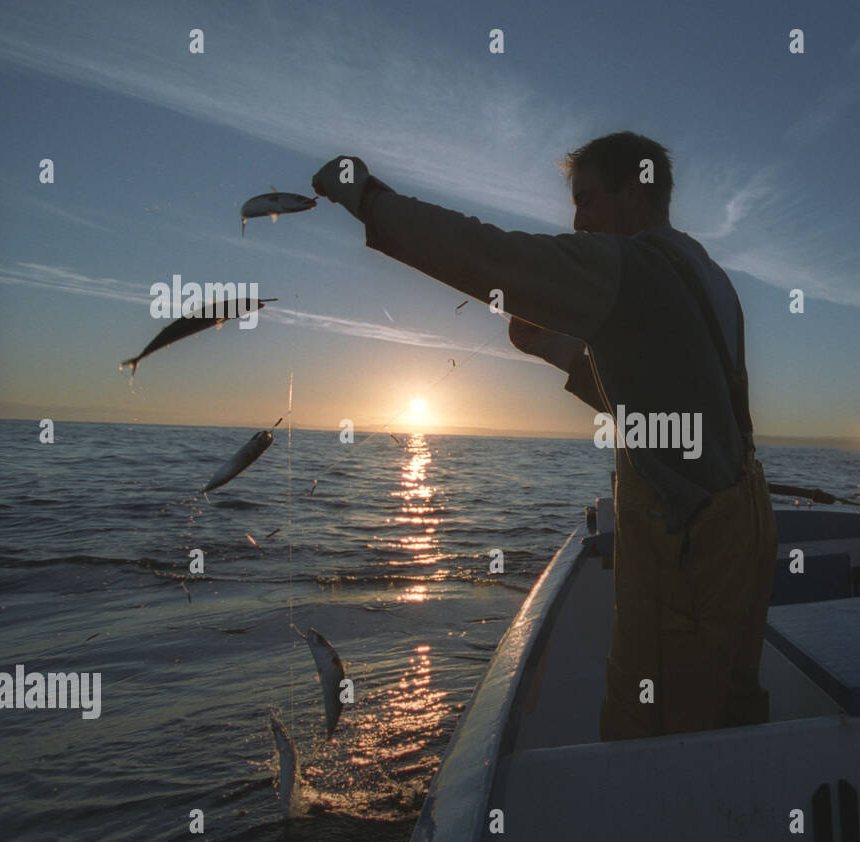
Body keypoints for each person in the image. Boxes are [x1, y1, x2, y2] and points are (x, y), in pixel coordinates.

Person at [313, 131, 777, 740]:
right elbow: (668, 395)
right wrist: (554, 347)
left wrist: (367, 198)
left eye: (587, 200)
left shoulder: (629, 264)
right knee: (731, 710)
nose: (576, 220)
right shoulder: (706, 274)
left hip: (687, 551)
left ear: (634, 193)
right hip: (745, 531)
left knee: (654, 737)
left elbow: (490, 256)